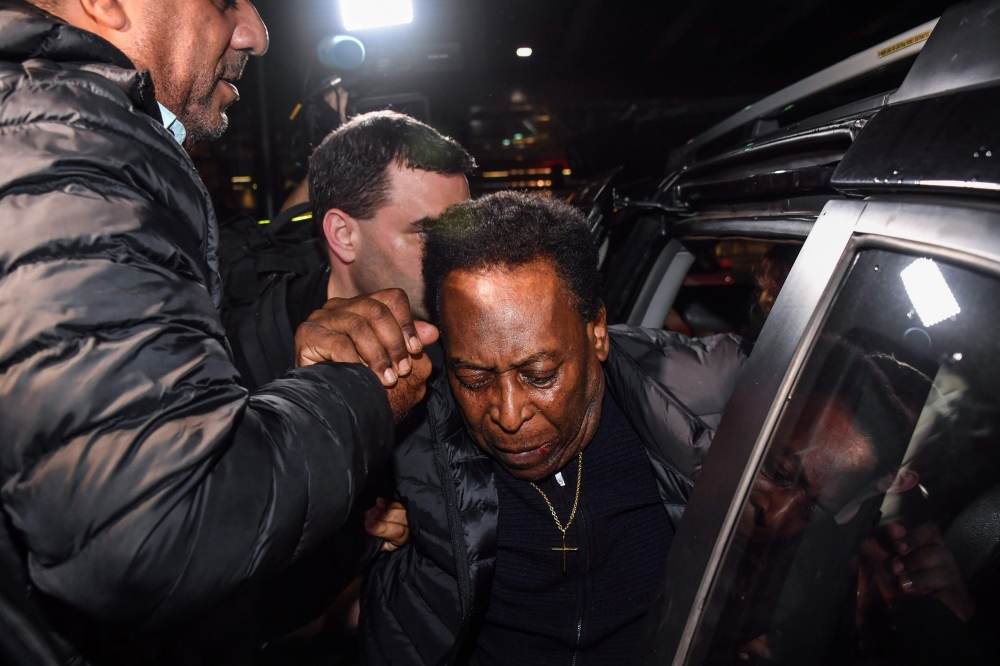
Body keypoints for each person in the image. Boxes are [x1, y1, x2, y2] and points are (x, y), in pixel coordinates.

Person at [0, 1, 428, 663]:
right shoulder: (68, 150)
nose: (255, 34)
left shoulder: (41, 131)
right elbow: (149, 536)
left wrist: (352, 543)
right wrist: (358, 391)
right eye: (225, 1)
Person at [356, 192, 749, 665]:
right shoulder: (409, 434)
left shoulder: (704, 396)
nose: (507, 413)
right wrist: (326, 401)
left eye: (539, 375)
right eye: (473, 379)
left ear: (596, 331)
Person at [224, 110, 476, 390]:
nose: (458, 253)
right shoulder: (250, 358)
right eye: (427, 232)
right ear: (343, 235)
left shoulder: (475, 321)